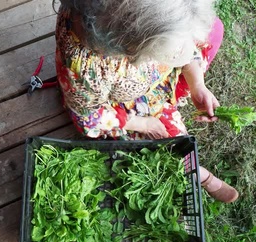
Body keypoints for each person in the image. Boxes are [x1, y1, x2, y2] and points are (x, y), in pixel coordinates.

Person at [54, 0, 238, 203]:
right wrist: (142, 123)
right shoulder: (88, 71)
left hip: (146, 66)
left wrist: (197, 85)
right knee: (170, 142)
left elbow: (178, 31)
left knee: (214, 31)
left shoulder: (154, 16)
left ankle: (172, 99)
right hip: (124, 103)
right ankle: (197, 172)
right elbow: (88, 117)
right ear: (132, 47)